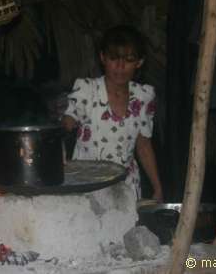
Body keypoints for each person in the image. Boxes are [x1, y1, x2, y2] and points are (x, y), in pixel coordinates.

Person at [61, 25, 163, 201]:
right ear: (103, 58)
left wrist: (157, 187)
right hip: (88, 185)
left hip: (127, 187)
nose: (120, 66)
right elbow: (65, 126)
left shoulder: (143, 96)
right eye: (114, 58)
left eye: (129, 60)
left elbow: (144, 145)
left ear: (139, 62)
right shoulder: (87, 90)